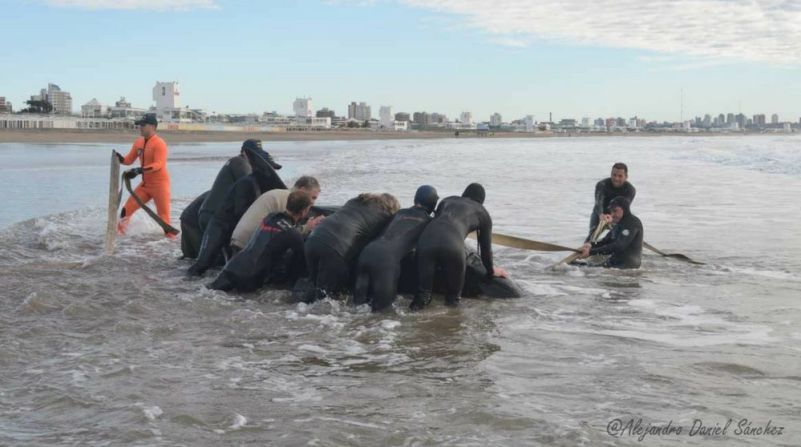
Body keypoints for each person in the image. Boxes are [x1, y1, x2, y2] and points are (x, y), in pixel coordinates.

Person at [187, 144, 286, 276]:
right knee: (203, 263)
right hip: (219, 226)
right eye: (271, 168)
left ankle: (213, 292)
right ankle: (183, 287)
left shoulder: (255, 183)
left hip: (230, 228)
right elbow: (240, 212)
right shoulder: (246, 182)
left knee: (227, 266)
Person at [411, 183, 507, 310]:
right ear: (481, 201)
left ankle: (408, 321)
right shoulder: (482, 213)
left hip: (426, 241)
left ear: (463, 194)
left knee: (423, 295)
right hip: (453, 246)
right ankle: (450, 324)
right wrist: (491, 271)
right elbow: (485, 251)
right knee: (453, 300)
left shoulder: (446, 201)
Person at [353, 185, 439, 312]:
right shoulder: (428, 221)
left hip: (366, 253)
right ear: (433, 204)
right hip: (387, 261)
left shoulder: (399, 213)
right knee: (383, 313)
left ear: (415, 199)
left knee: (357, 307)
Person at [208, 190, 313, 292]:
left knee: (209, 292)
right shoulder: (293, 234)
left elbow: (277, 234)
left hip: (233, 266)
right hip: (250, 276)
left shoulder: (270, 217)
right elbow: (300, 265)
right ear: (304, 211)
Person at [303, 193, 400, 302]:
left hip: (313, 239)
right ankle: (314, 316)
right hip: (335, 248)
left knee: (313, 283)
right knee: (326, 296)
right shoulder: (385, 215)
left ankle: (299, 311)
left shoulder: (355, 201)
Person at [198, 139, 281, 231]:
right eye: (253, 155)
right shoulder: (240, 163)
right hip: (214, 216)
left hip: (209, 213)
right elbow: (250, 188)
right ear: (245, 152)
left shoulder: (235, 162)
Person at [115, 113, 172, 237]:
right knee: (126, 210)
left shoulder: (159, 143)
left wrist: (139, 171)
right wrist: (120, 159)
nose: (140, 127)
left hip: (160, 185)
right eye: (139, 125)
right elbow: (129, 160)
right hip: (145, 185)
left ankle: (170, 246)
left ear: (152, 126)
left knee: (164, 218)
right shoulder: (138, 142)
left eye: (143, 125)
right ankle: (119, 237)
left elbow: (158, 164)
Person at [230, 176, 323, 252]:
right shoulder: (287, 199)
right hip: (248, 244)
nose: (313, 203)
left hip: (238, 240)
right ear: (302, 190)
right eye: (313, 197)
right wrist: (307, 228)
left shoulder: (279, 193)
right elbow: (286, 233)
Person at [579, 196, 643, 269]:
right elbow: (606, 241)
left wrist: (591, 252)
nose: (612, 214)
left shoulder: (632, 222)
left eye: (615, 211)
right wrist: (591, 245)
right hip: (615, 263)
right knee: (577, 265)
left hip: (627, 267)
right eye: (611, 211)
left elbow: (619, 245)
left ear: (624, 209)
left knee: (580, 268)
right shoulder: (619, 223)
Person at [587, 162, 636, 241]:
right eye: (614, 175)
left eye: (620, 176)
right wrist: (601, 215)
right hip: (600, 214)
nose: (616, 178)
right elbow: (598, 204)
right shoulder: (602, 185)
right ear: (611, 174)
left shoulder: (630, 190)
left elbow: (624, 209)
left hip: (618, 216)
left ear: (626, 177)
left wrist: (612, 218)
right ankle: (587, 246)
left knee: (622, 237)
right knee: (591, 237)